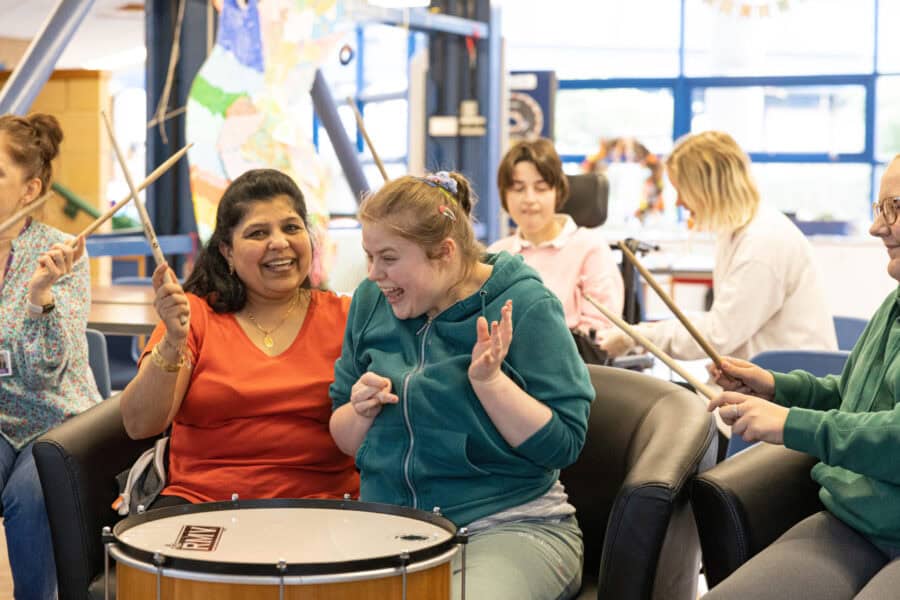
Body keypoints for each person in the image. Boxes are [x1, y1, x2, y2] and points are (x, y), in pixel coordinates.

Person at [329, 171, 594, 600]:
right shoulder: (370, 301)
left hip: (508, 527)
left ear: (445, 252)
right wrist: (358, 411)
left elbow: (563, 444)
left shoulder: (524, 304)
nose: (375, 273)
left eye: (390, 258)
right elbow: (343, 439)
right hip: (390, 528)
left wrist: (490, 384)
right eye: (369, 255)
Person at [702, 155, 900, 598]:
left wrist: (790, 424)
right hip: (855, 524)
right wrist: (777, 388)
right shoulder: (894, 303)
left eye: (896, 208)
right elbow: (853, 400)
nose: (877, 228)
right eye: (878, 208)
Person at [119, 168, 359, 506]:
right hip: (204, 505)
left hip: (328, 505)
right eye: (258, 233)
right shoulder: (192, 316)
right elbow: (139, 424)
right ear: (227, 251)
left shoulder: (349, 316)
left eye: (292, 227)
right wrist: (173, 341)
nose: (279, 242)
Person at [598, 130, 837, 361]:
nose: (680, 201)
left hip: (790, 390)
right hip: (764, 377)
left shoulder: (763, 243)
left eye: (682, 191)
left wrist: (638, 336)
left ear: (709, 188)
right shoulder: (736, 231)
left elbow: (717, 335)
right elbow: (729, 331)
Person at [0, 113, 101, 599]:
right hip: (2, 422)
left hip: (56, 421)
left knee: (29, 499)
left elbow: (44, 375)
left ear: (29, 188)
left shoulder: (62, 252)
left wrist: (41, 294)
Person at [488, 138, 624, 362]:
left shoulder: (589, 247)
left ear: (558, 192)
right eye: (518, 188)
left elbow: (601, 333)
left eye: (540, 188)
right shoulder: (497, 253)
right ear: (504, 195)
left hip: (569, 367)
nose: (529, 199)